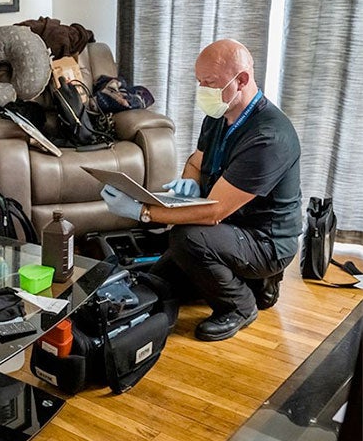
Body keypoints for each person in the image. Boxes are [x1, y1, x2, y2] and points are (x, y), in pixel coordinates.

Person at [101, 39, 301, 341]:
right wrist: (191, 181)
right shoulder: (219, 117)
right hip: (229, 229)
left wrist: (142, 212)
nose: (203, 90)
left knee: (187, 237)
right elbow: (196, 161)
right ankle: (246, 284)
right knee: (156, 279)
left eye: (210, 83)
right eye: (199, 82)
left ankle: (241, 306)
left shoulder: (269, 136)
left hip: (265, 241)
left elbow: (213, 212)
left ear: (242, 80)